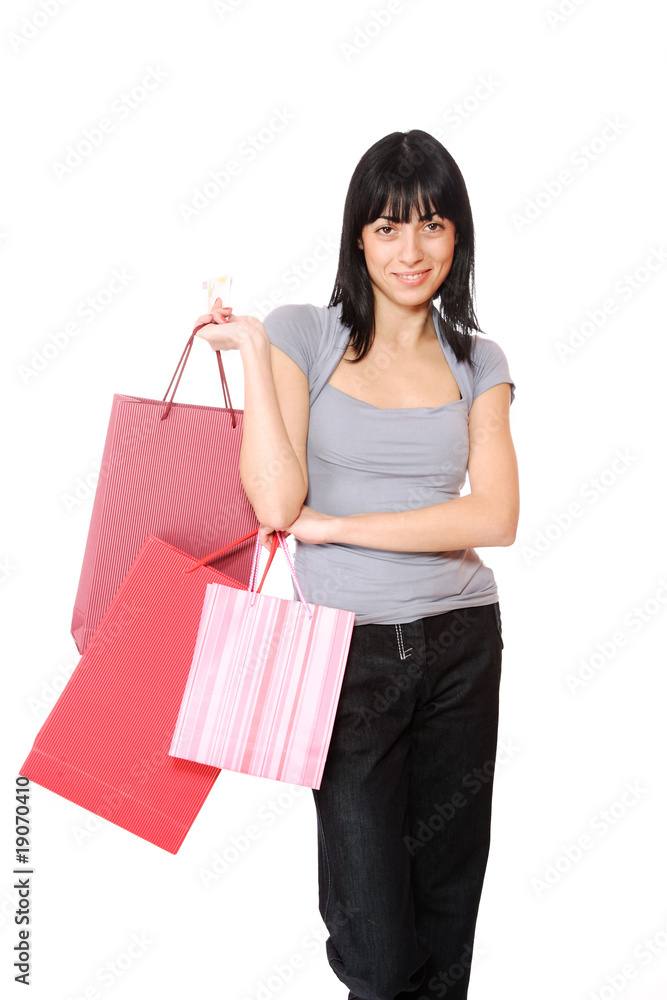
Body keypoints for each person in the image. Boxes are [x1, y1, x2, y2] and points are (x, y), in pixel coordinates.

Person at [194, 129, 519, 1000]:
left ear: (458, 236)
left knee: (446, 926)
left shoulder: (477, 359)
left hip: (460, 642)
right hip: (346, 656)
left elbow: (496, 516)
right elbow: (273, 504)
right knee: (374, 946)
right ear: (357, 237)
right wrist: (258, 357)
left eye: (431, 226)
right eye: (385, 228)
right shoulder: (307, 334)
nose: (410, 251)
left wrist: (340, 528)